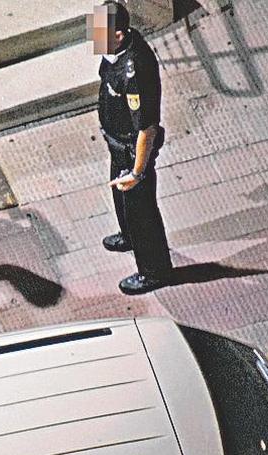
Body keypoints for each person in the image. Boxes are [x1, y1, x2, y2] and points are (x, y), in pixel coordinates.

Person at [94, 1, 173, 295]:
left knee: (142, 212)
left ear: (118, 34)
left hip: (133, 150)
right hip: (118, 145)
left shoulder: (134, 68)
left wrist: (138, 172)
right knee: (120, 198)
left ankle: (154, 271)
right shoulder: (112, 53)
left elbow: (146, 128)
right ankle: (128, 235)